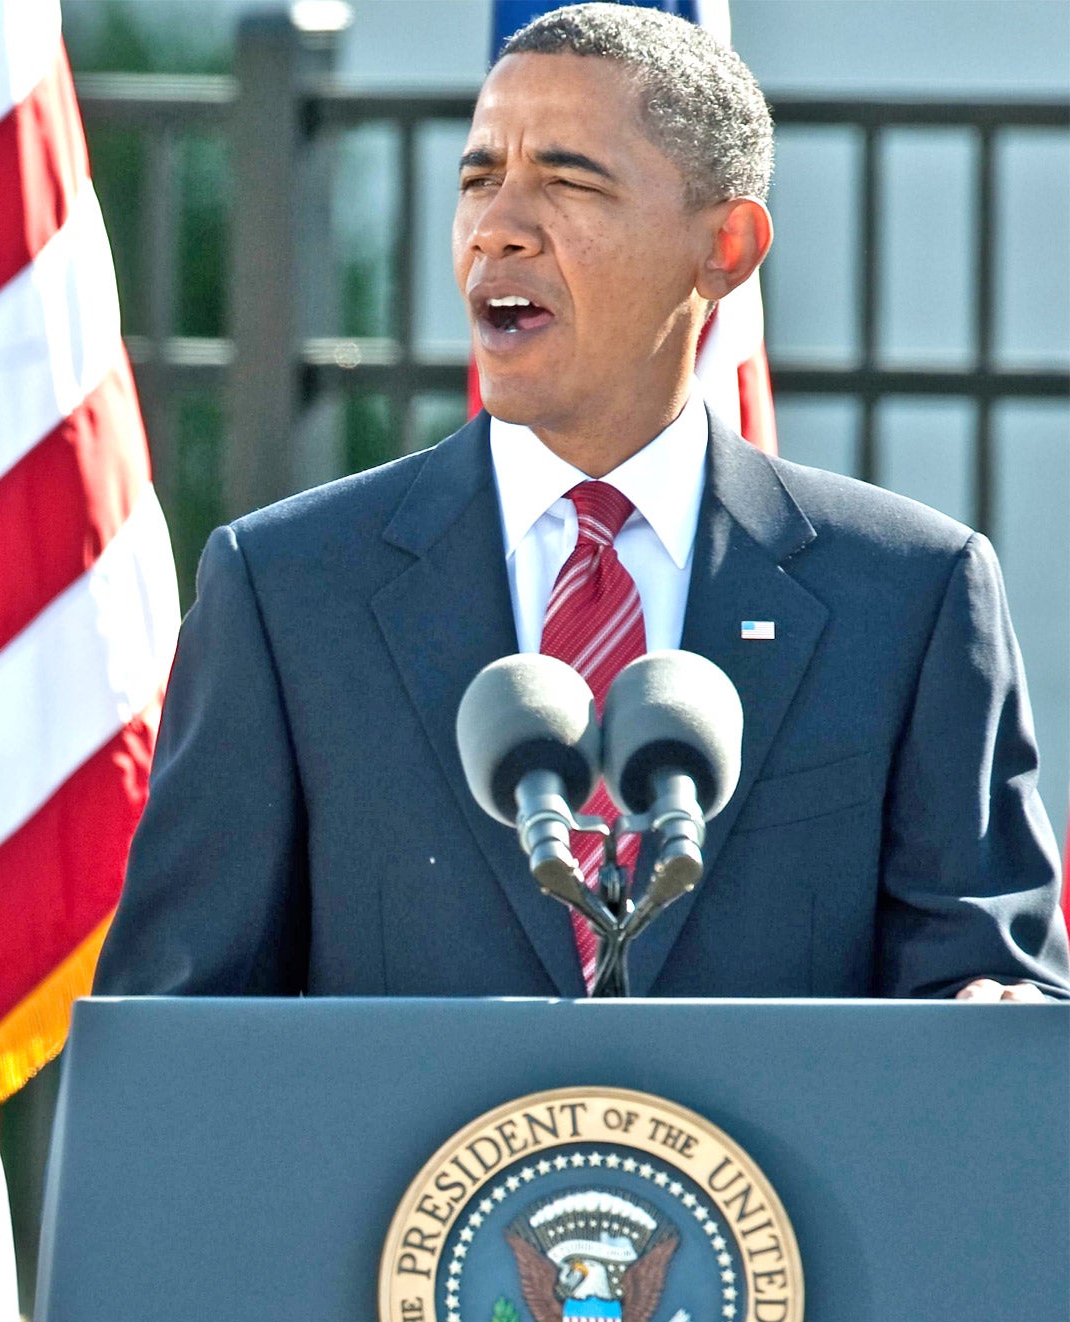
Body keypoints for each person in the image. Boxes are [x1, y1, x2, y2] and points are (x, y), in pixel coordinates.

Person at [94, 3, 1068, 1002]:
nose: (495, 228)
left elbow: (988, 999)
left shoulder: (907, 596)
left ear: (723, 246)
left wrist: (991, 1008)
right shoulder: (288, 593)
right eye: (476, 179)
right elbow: (176, 1035)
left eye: (564, 181)